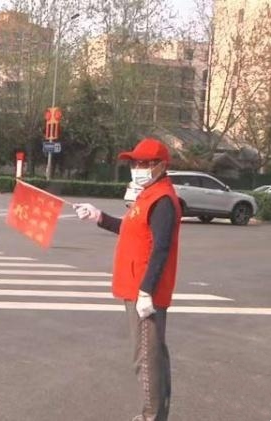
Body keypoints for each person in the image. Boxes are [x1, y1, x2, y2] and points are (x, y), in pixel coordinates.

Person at [73, 138, 181, 421]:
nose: (137, 168)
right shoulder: (147, 194)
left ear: (161, 166)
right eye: (134, 163)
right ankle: (157, 415)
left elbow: (161, 248)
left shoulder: (161, 200)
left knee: (146, 359)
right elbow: (131, 229)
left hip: (145, 291)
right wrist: (99, 217)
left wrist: (146, 291)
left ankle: (150, 417)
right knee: (152, 356)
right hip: (137, 286)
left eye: (144, 163)